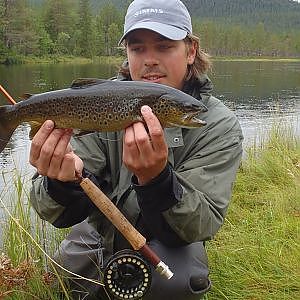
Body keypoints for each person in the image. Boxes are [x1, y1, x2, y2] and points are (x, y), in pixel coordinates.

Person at [29, 0, 243, 299]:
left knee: (178, 281)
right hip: (102, 232)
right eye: (137, 48)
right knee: (64, 273)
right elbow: (48, 208)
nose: (149, 60)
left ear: (191, 51)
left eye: (164, 46)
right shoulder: (100, 103)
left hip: (173, 239)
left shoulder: (217, 124)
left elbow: (202, 223)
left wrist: (157, 180)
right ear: (127, 53)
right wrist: (59, 183)